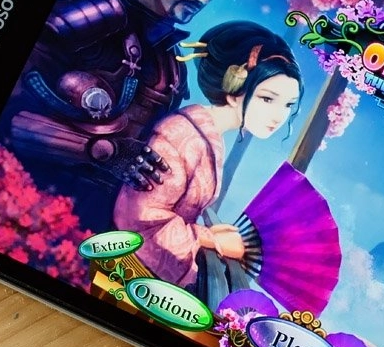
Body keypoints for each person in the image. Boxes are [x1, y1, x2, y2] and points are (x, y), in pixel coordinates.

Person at [0, 0, 228, 227]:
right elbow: (6, 110)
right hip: (24, 196)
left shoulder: (172, 67)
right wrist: (101, 151)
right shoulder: (94, 13)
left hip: (98, 219)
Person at [113, 20, 304, 290]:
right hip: (125, 272)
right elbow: (137, 221)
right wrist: (210, 240)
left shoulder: (208, 134)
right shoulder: (180, 135)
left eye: (288, 105)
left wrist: (209, 235)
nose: (278, 116)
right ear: (233, 89)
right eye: (267, 99)